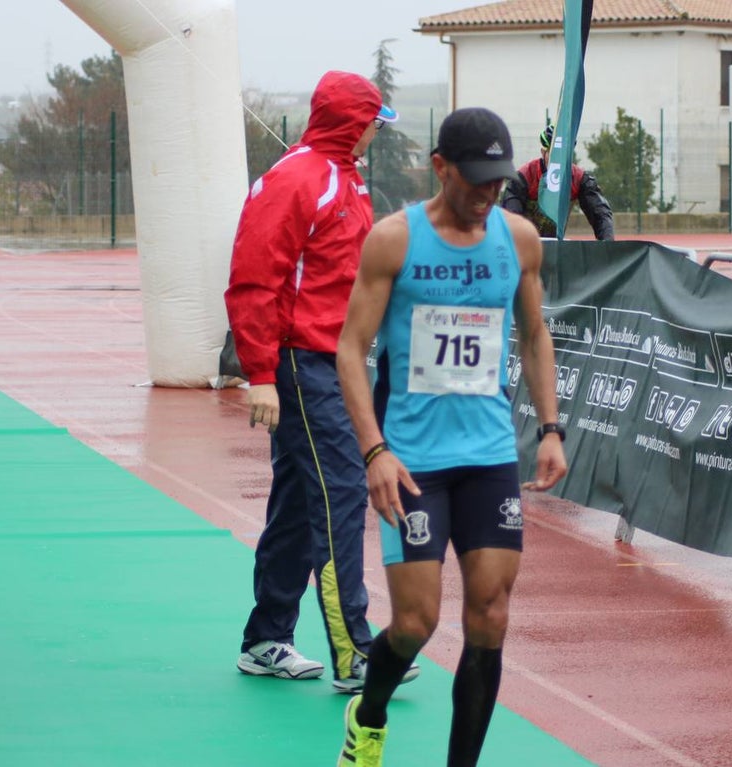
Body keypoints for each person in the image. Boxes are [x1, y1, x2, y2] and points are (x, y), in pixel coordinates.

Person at [334, 107, 569, 767]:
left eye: (498, 181)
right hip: (412, 462)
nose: (488, 194)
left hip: (490, 455)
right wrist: (374, 450)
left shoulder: (519, 239)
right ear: (441, 168)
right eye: (475, 181)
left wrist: (550, 428)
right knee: (415, 622)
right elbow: (350, 349)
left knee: (490, 613)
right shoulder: (393, 240)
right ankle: (369, 711)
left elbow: (535, 334)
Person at [225, 70, 418, 694]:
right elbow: (255, 278)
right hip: (303, 364)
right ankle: (354, 652)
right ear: (353, 122)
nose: (374, 136)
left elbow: (348, 276)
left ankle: (266, 637)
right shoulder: (298, 179)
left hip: (330, 361)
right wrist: (259, 374)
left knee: (298, 503)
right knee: (341, 496)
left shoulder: (344, 177)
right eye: (371, 124)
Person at [501, 120, 614, 240]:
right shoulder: (524, 177)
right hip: (525, 244)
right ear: (543, 152)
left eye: (564, 154)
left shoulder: (580, 179)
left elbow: (601, 215)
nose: (559, 160)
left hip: (556, 247)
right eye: (554, 154)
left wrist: (607, 246)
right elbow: (511, 216)